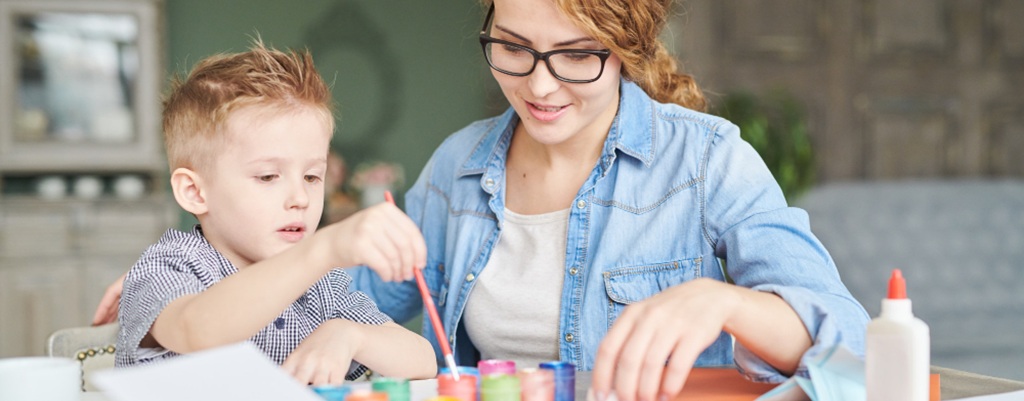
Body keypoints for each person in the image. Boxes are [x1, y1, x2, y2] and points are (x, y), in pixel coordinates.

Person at [95, 1, 870, 399]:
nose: (537, 84)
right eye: (513, 48)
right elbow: (334, 299)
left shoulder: (707, 162)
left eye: (574, 57)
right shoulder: (462, 166)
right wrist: (206, 273)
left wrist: (722, 304)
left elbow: (857, 352)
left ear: (625, 45)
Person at [112, 40, 436, 385]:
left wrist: (348, 334)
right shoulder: (167, 266)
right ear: (194, 192)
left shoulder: (320, 287)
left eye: (312, 176)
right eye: (268, 176)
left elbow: (423, 360)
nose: (300, 197)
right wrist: (324, 249)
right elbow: (197, 329)